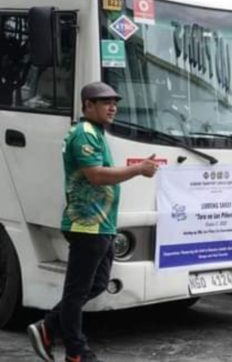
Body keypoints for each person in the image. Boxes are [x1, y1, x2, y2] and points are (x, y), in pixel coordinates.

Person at [27, 82, 159, 362]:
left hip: (103, 225)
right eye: (105, 102)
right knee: (76, 292)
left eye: (114, 102)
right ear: (88, 105)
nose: (113, 107)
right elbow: (96, 175)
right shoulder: (83, 135)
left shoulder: (96, 133)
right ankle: (77, 352)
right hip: (86, 225)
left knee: (96, 285)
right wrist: (137, 169)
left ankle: (47, 327)